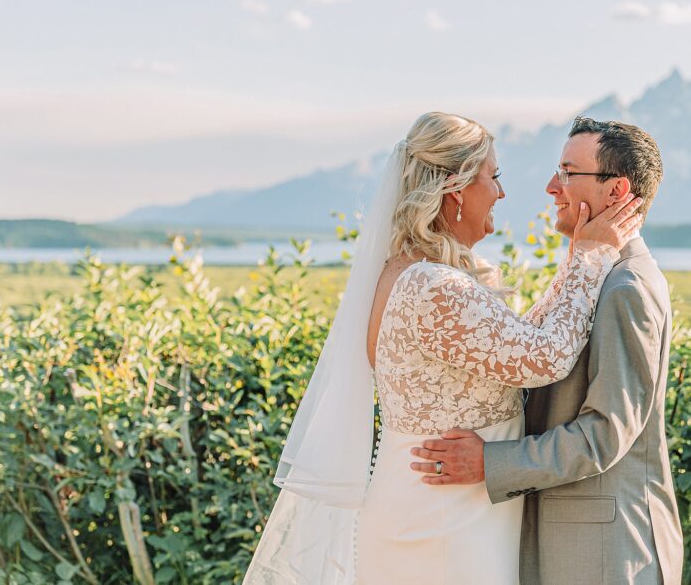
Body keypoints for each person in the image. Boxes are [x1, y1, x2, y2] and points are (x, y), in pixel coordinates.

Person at [243, 112, 644, 584]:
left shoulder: (415, 271)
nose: (502, 193)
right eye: (493, 176)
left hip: (450, 509)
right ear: (455, 189)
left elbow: (523, 338)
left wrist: (578, 258)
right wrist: (591, 257)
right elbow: (546, 357)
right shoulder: (432, 287)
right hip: (442, 522)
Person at [410, 117, 684, 584]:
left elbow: (605, 433)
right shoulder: (596, 272)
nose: (551, 187)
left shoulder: (627, 287)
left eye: (567, 173)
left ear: (616, 190)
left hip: (605, 552)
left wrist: (489, 462)